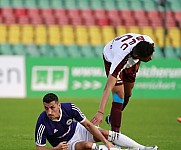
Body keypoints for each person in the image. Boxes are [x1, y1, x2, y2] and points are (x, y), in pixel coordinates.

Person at [35, 93, 158, 150]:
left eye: (52, 108)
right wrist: (56, 149)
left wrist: (106, 142)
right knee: (88, 146)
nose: (49, 112)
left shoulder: (70, 108)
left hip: (77, 129)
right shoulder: (42, 123)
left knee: (105, 133)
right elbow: (39, 149)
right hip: (66, 143)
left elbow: (88, 125)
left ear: (59, 105)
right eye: (46, 108)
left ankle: (142, 148)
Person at [91, 33, 155, 132]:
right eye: (148, 57)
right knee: (119, 94)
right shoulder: (119, 59)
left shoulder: (148, 41)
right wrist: (100, 112)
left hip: (132, 60)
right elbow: (108, 87)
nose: (151, 58)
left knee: (128, 94)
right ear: (138, 55)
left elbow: (144, 51)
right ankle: (115, 133)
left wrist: (138, 62)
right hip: (111, 57)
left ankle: (112, 118)